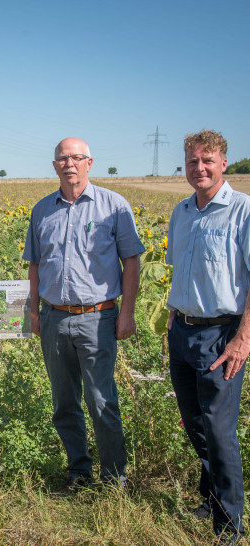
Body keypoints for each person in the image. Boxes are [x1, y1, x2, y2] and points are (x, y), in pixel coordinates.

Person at [23, 137, 144, 488]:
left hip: (98, 316)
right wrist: (34, 312)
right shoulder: (42, 210)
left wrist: (128, 313)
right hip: (54, 317)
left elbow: (131, 262)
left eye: (77, 158)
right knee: (64, 401)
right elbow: (34, 264)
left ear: (89, 163)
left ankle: (113, 476)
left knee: (101, 399)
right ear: (55, 166)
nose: (69, 164)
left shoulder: (113, 206)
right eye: (63, 159)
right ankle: (79, 469)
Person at [166, 129, 250, 544]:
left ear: (223, 163)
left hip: (222, 335)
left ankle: (230, 523)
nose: (199, 168)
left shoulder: (242, 210)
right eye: (192, 161)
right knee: (194, 421)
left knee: (218, 429)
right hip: (182, 330)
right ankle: (212, 495)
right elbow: (181, 270)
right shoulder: (181, 212)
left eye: (207, 160)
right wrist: (170, 319)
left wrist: (243, 339)